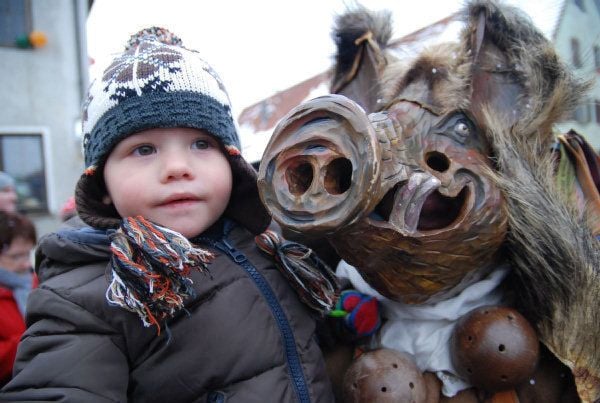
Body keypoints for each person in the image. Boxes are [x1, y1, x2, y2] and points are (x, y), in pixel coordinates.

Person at [0, 27, 334, 402]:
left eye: (201, 143)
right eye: (144, 149)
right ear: (101, 184)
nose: (177, 167)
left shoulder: (272, 243)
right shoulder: (84, 296)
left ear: (234, 162)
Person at [0, 211, 36, 387]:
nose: (27, 264)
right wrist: (30, 340)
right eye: (16, 256)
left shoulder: (35, 283)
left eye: (28, 254)